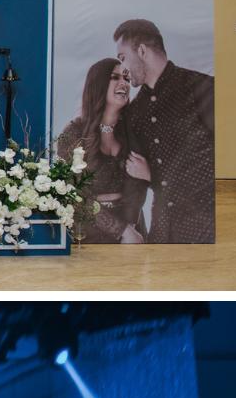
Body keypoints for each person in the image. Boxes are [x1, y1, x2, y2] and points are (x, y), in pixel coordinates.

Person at [114, 18, 214, 242]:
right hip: (161, 234)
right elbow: (135, 178)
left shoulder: (202, 88)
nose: (123, 69)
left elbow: (221, 164)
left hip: (205, 231)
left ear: (142, 51)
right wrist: (124, 228)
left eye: (123, 58)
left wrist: (154, 176)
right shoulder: (135, 112)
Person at [56, 59, 147, 244]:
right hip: (89, 227)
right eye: (115, 77)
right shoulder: (73, 133)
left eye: (126, 78)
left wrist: (130, 226)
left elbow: (138, 185)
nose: (124, 83)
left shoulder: (133, 130)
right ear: (98, 85)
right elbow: (73, 194)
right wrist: (120, 230)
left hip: (133, 229)